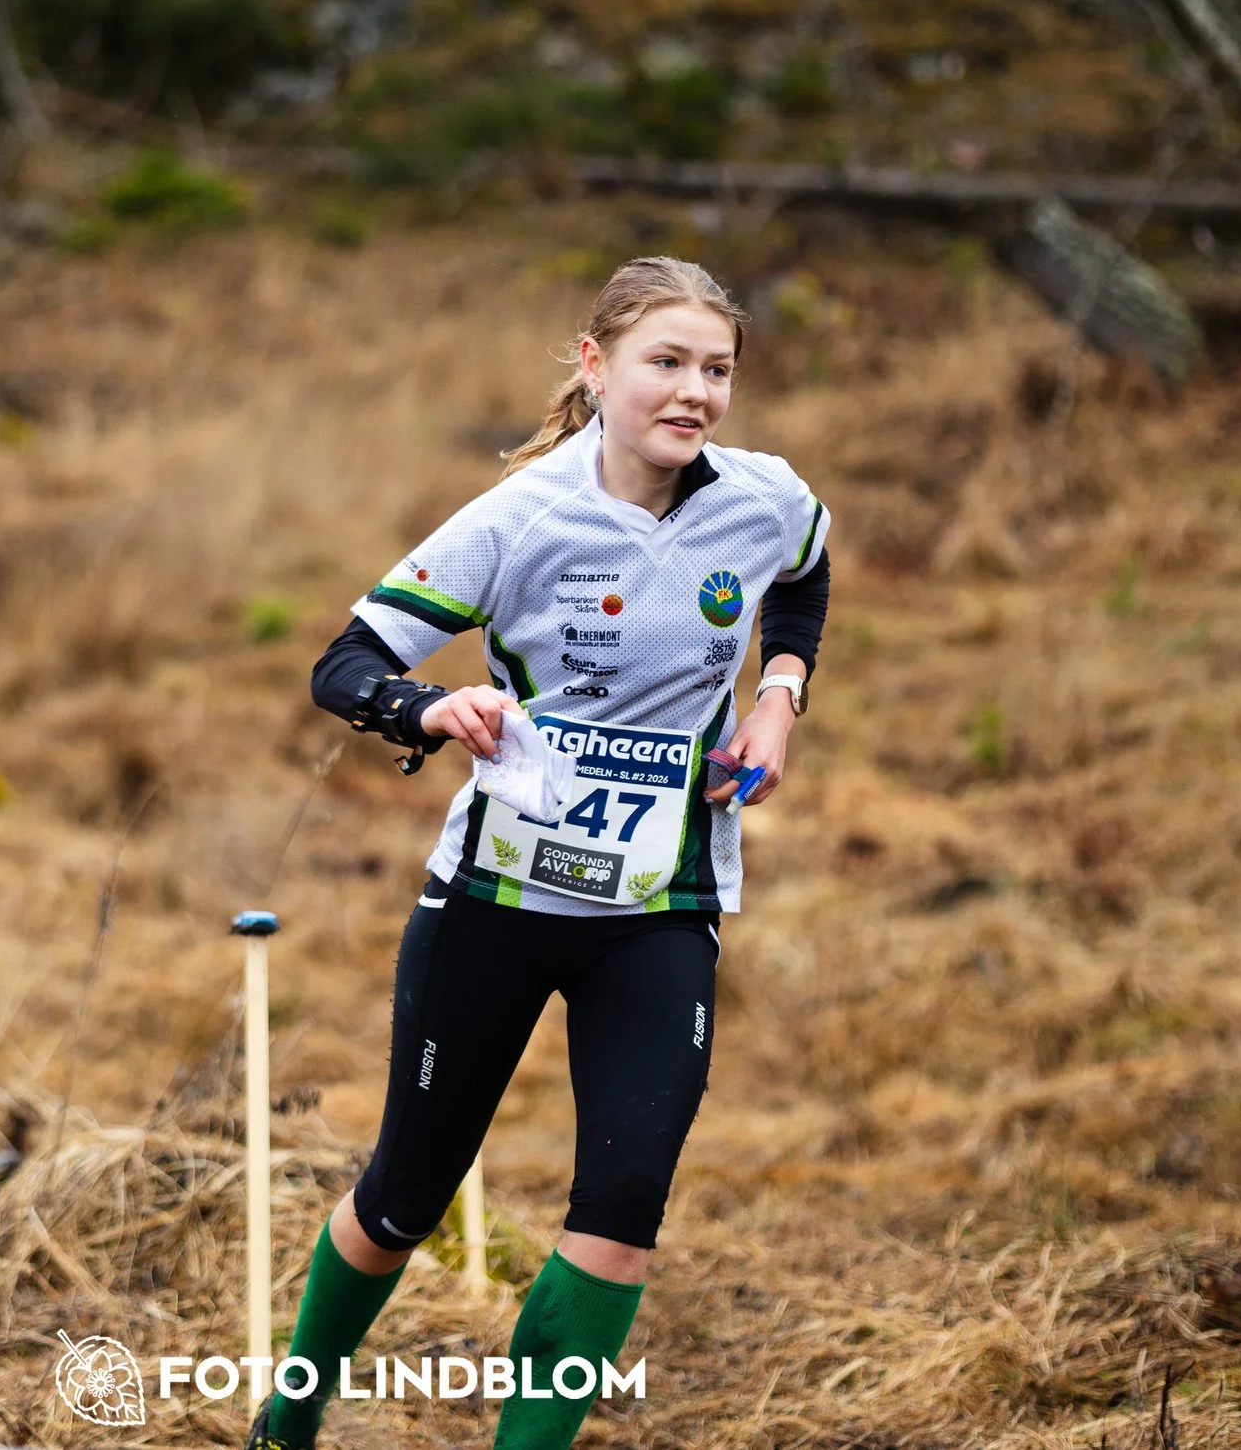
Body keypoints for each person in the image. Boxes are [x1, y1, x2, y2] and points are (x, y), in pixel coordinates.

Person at [250, 257, 833, 1450]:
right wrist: (427, 711)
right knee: (405, 1196)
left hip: (663, 904)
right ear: (594, 363)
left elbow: (808, 575)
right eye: (665, 362)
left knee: (621, 1209)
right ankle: (288, 1414)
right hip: (494, 903)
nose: (694, 392)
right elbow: (345, 662)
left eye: (715, 369)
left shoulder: (764, 497)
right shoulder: (518, 517)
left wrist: (776, 693)